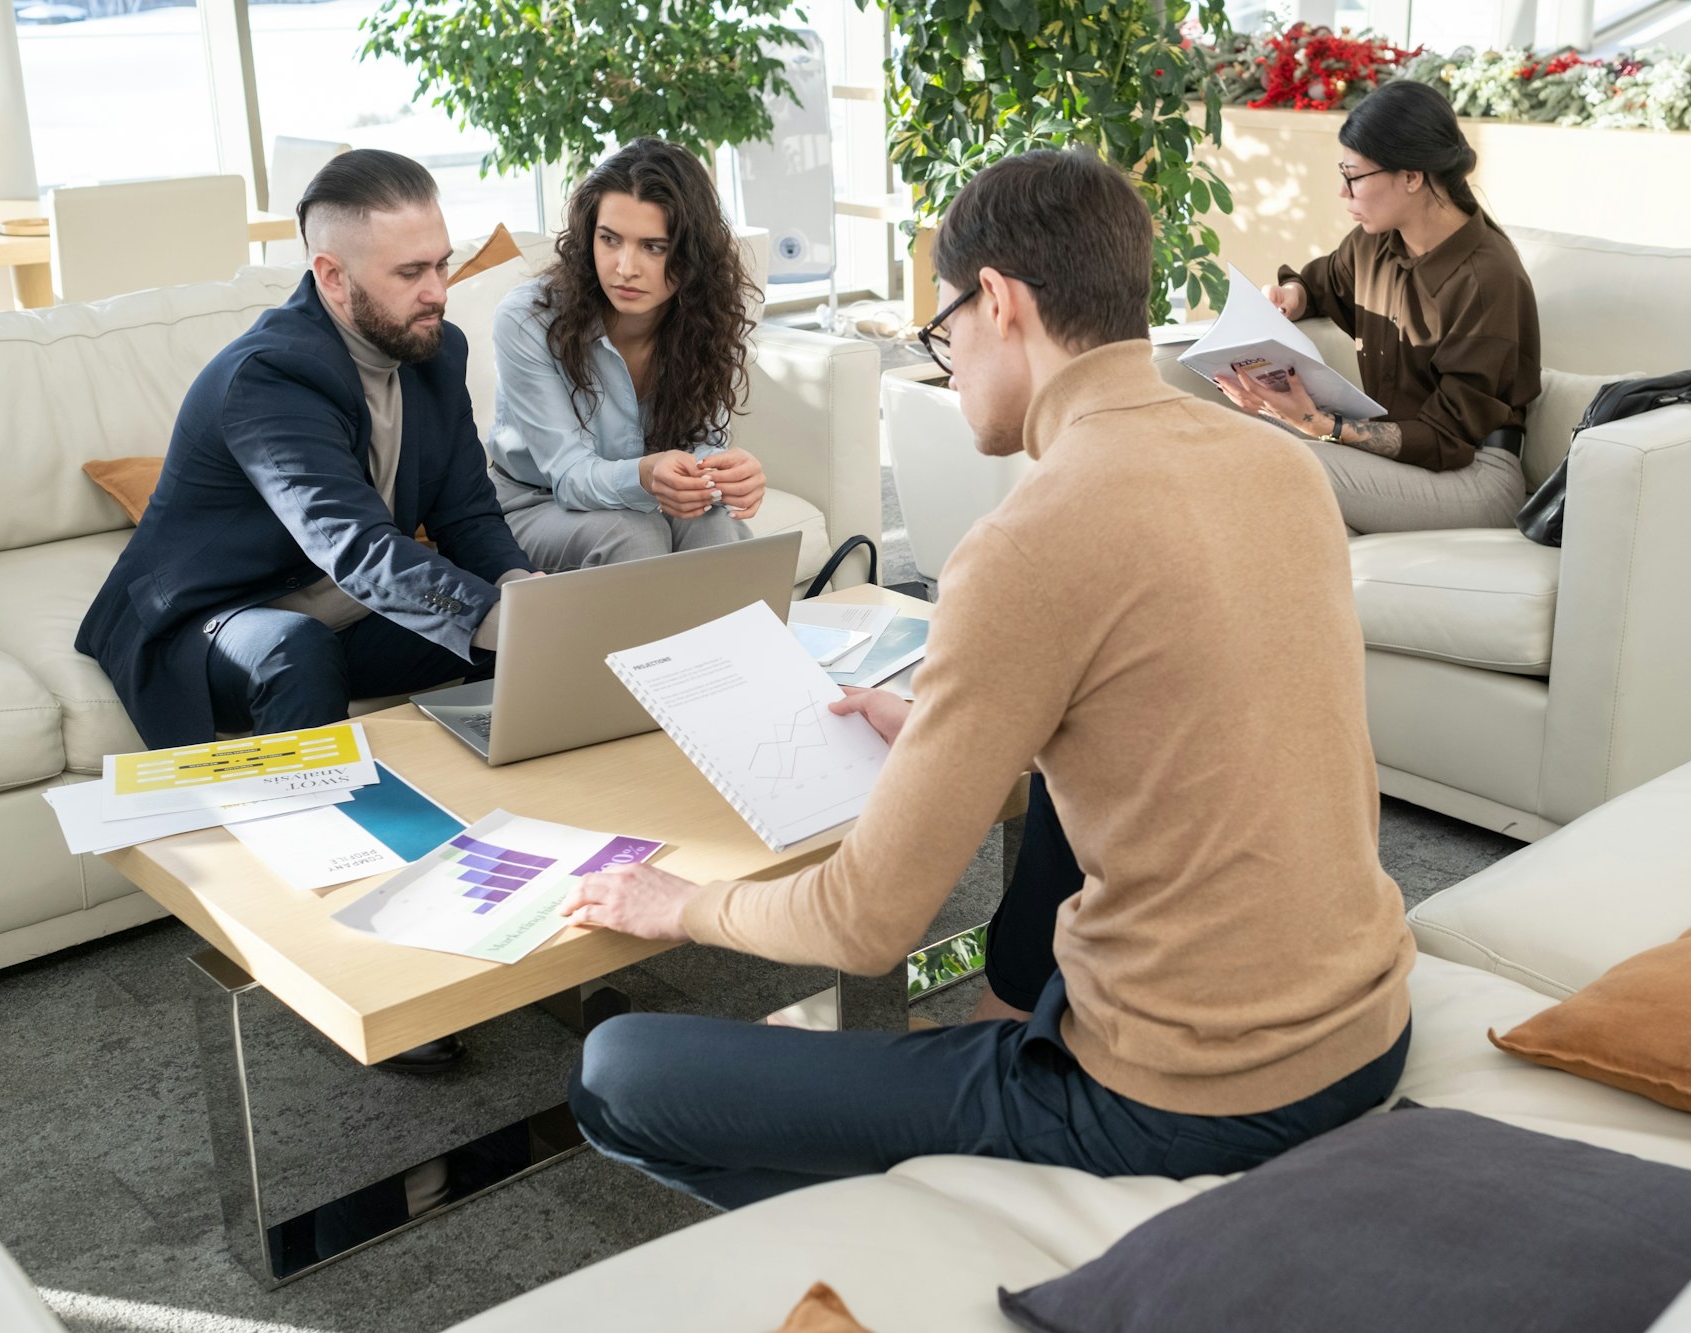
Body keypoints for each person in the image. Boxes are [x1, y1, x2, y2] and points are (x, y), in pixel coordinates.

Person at [555, 149, 1417, 1210]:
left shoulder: (1028, 540)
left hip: (1180, 1095)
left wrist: (679, 902)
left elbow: (865, 923)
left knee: (619, 1074)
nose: (946, 361)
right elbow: (1180, 708)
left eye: (942, 330)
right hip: (1368, 1030)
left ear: (998, 303)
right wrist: (937, 723)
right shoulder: (1279, 465)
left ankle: (936, 1231)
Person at [77, 151, 536, 1070]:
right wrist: (506, 621)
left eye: (442, 262)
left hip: (339, 607)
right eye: (411, 272)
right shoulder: (266, 376)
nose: (439, 290)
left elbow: (466, 513)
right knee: (293, 652)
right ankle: (348, 956)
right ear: (330, 275)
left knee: (507, 645)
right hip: (214, 617)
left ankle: (524, 887)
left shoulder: (435, 350)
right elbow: (358, 551)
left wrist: (535, 608)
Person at [1214, 79, 1541, 534]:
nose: (1343, 193)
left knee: (1288, 462)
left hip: (1474, 475)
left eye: (1353, 176)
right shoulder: (1375, 245)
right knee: (1226, 434)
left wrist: (1318, 423)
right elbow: (1321, 282)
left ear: (1411, 176)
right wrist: (1292, 297)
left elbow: (1450, 439)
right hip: (1401, 464)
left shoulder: (1487, 280)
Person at [486, 137, 766, 572]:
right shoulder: (529, 320)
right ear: (588, 236)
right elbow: (568, 475)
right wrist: (645, 476)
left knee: (715, 524)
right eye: (610, 240)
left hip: (641, 499)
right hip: (533, 504)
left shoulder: (709, 318)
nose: (625, 268)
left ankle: (744, 641)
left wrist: (726, 476)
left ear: (691, 254)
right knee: (633, 532)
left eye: (654, 247)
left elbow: (702, 446)